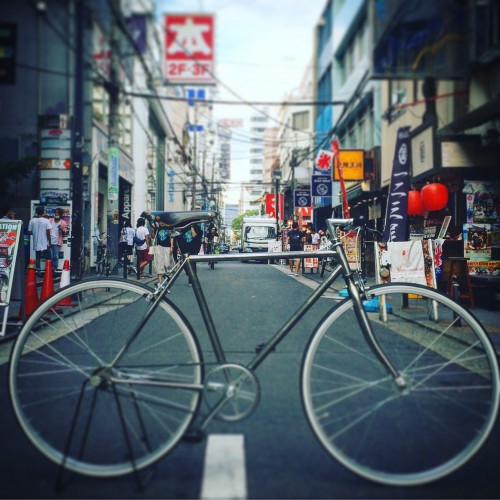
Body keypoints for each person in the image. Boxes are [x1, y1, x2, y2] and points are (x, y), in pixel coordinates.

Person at [28, 206, 52, 276]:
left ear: (36, 212)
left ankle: (39, 271)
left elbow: (29, 232)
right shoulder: (46, 220)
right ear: (43, 212)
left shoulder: (32, 221)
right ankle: (48, 270)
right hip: (45, 242)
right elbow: (48, 232)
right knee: (48, 257)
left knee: (37, 257)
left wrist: (35, 233)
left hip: (36, 242)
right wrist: (49, 243)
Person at [48, 208, 67, 276]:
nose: (56, 214)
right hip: (49, 241)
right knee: (50, 256)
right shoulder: (50, 220)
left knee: (55, 256)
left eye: (58, 213)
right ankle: (48, 270)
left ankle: (54, 270)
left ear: (61, 214)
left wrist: (61, 229)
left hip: (57, 242)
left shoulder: (63, 222)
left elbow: (64, 233)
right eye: (55, 212)